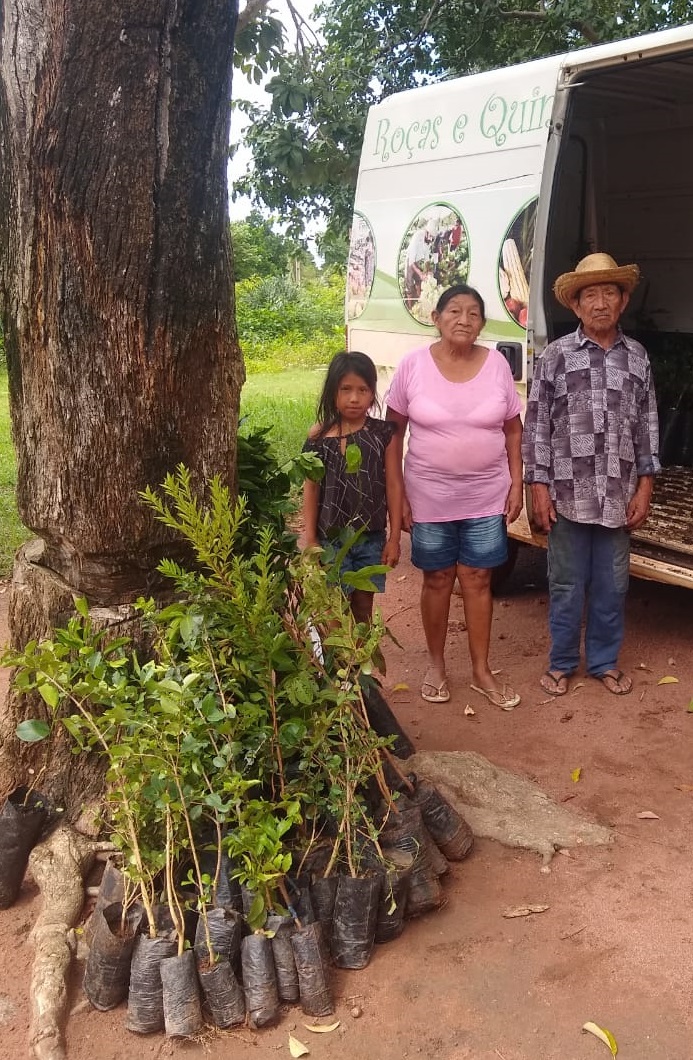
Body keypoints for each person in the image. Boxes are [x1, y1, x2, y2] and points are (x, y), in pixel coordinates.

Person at [522, 253, 660, 697]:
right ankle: (562, 663)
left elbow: (648, 428)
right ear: (576, 305)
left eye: (609, 293)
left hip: (618, 495)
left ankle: (603, 662)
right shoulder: (556, 356)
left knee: (613, 585)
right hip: (567, 494)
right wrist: (538, 486)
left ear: (623, 301)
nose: (600, 303)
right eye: (590, 295)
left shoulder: (637, 358)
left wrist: (646, 486)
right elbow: (537, 425)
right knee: (565, 583)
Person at [385, 284, 523, 709]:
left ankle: (481, 671)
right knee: (438, 578)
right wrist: (398, 496)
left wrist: (517, 482)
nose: (465, 320)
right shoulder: (412, 366)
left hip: (486, 494)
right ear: (436, 317)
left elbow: (513, 429)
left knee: (478, 579)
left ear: (482, 323)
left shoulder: (497, 364)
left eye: (474, 313)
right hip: (429, 495)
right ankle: (436, 665)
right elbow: (393, 435)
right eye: (455, 311)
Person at [302, 351, 403, 624]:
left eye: (363, 390)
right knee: (334, 610)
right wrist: (311, 540)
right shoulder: (318, 436)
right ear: (332, 391)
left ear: (372, 393)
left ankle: (361, 654)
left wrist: (394, 538)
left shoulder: (383, 434)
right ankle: (337, 654)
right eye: (345, 389)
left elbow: (394, 484)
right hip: (330, 539)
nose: (354, 398)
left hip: (370, 538)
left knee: (362, 607)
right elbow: (311, 488)